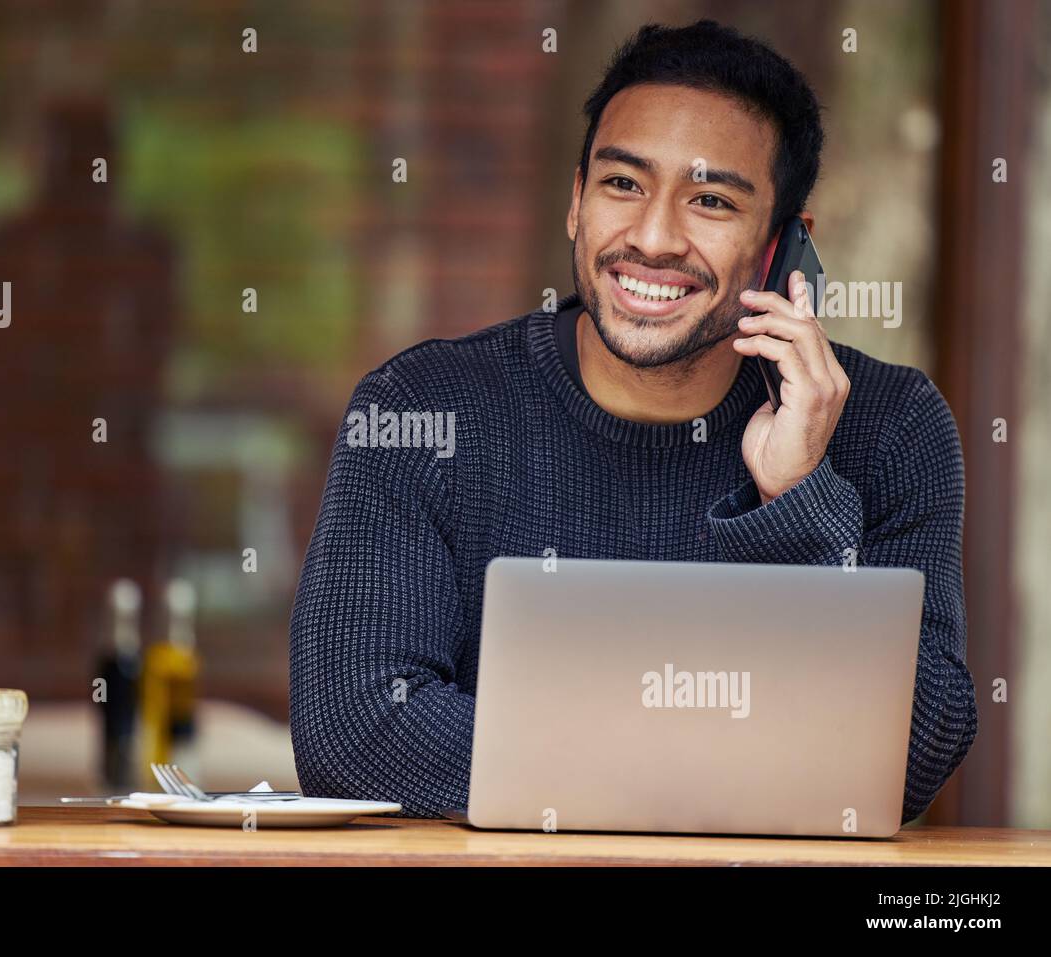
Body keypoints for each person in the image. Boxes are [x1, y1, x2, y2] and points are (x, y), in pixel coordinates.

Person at [289, 20, 977, 823]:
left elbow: (912, 754)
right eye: (623, 185)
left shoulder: (889, 426)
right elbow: (357, 732)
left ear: (782, 249)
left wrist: (800, 500)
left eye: (712, 200)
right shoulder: (420, 411)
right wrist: (732, 769)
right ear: (576, 202)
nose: (652, 238)